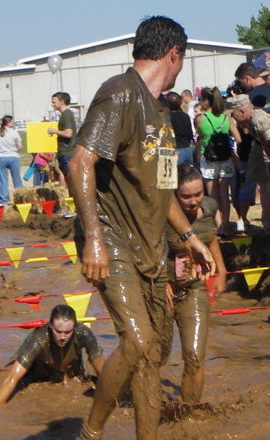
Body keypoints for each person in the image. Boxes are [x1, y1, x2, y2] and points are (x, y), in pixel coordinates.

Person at [68, 16, 215, 440]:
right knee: (135, 341)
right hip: (111, 237)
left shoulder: (162, 112)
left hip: (150, 247)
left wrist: (189, 237)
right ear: (174, 54)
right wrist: (94, 241)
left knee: (148, 353)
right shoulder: (120, 93)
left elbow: (163, 191)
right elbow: (79, 163)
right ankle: (90, 434)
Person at [162, 163, 227, 404]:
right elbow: (146, 249)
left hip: (194, 288)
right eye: (186, 196)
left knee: (195, 357)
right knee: (158, 356)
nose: (193, 201)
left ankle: (189, 411)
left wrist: (221, 270)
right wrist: (160, 281)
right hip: (162, 291)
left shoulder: (209, 206)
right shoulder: (161, 213)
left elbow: (210, 238)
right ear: (174, 195)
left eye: (198, 194)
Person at [0, 304, 104, 405]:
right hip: (40, 371)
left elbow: (102, 371)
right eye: (58, 331)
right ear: (50, 325)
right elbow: (12, 378)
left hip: (71, 369)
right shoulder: (39, 338)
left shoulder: (84, 334)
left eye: (67, 332)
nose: (62, 337)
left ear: (74, 328)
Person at [196, 87, 241, 236]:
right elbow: (238, 138)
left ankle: (218, 225)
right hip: (225, 158)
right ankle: (226, 225)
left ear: (205, 101)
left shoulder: (201, 119)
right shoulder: (226, 118)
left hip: (208, 159)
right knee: (224, 194)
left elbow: (199, 137)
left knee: (212, 194)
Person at [226, 94, 270, 232]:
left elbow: (268, 140)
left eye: (233, 114)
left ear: (242, 111)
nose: (232, 118)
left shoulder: (258, 119)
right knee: (264, 186)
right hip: (259, 148)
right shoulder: (251, 121)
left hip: (265, 151)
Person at [0, 115, 23, 205]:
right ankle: (20, 198)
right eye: (12, 122)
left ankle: (4, 199)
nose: (13, 123)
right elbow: (20, 146)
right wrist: (15, 149)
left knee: (2, 180)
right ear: (8, 123)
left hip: (1, 157)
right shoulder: (14, 132)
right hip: (13, 156)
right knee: (16, 179)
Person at [48, 92, 76, 186]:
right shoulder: (64, 114)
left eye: (54, 102)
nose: (52, 104)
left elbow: (68, 133)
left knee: (70, 181)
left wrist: (54, 131)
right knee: (66, 179)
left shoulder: (67, 114)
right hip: (63, 152)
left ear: (62, 101)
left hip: (67, 153)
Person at [165, 92, 194, 164]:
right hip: (188, 149)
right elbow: (190, 133)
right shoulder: (185, 116)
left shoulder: (167, 118)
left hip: (176, 150)